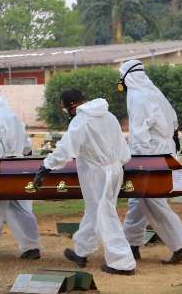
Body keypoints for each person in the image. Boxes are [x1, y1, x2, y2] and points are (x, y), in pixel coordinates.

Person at [33, 89, 136, 275]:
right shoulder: (109, 116)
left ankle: (122, 263)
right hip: (115, 168)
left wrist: (46, 166)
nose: (66, 112)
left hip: (97, 173)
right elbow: (123, 147)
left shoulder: (82, 120)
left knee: (105, 214)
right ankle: (82, 251)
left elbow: (66, 148)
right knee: (95, 211)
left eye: (65, 109)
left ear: (72, 105)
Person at [118, 59, 182, 265]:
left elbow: (140, 134)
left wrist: (137, 162)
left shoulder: (137, 97)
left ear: (127, 78)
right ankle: (130, 245)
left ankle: (180, 246)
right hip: (165, 151)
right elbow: (174, 121)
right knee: (137, 201)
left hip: (150, 154)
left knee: (153, 201)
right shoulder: (154, 92)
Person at [0, 89, 41, 259]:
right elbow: (27, 146)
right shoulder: (14, 117)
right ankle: (31, 246)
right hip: (18, 165)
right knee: (22, 208)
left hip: (0, 167)